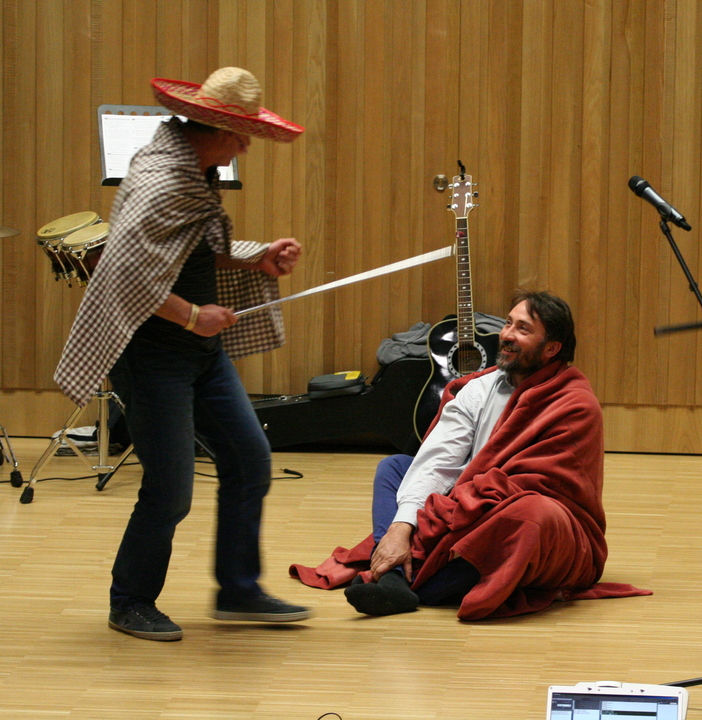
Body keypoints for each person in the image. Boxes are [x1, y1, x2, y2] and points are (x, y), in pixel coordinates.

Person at [54, 67, 312, 641]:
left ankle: (238, 592)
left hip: (200, 354)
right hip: (152, 357)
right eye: (241, 135)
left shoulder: (190, 167)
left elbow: (184, 251)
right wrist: (195, 316)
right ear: (214, 129)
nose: (246, 147)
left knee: (249, 461)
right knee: (170, 491)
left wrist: (257, 257)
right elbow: (121, 271)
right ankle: (130, 601)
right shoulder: (161, 181)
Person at [290, 291, 646, 620]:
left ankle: (405, 580)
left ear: (551, 348)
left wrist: (471, 499)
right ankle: (396, 575)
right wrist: (402, 527)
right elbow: (439, 458)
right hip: (465, 501)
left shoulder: (575, 403)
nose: (507, 335)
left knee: (530, 514)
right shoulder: (479, 387)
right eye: (508, 323)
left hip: (529, 520)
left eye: (523, 329)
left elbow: (551, 486)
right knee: (395, 467)